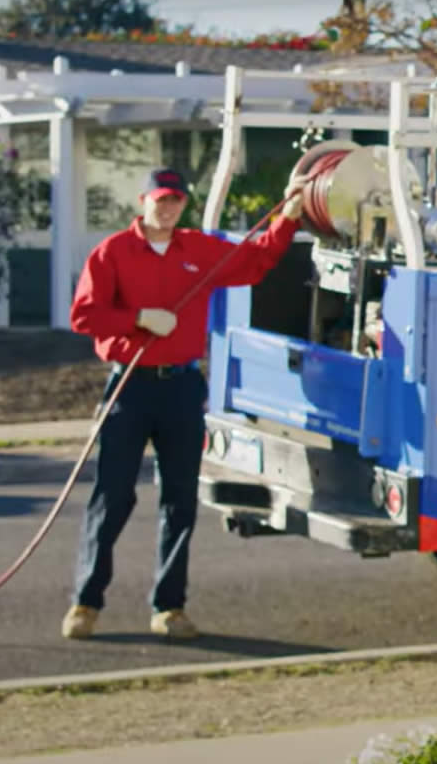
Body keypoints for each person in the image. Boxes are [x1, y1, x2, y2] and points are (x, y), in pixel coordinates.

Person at [62, 167, 306, 640]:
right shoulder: (112, 252)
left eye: (175, 200)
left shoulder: (198, 249)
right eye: (160, 200)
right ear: (143, 201)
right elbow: (84, 316)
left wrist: (288, 218)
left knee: (180, 501)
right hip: (129, 389)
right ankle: (85, 603)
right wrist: (137, 319)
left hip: (181, 389)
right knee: (111, 499)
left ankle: (169, 608)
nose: (168, 208)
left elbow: (253, 262)